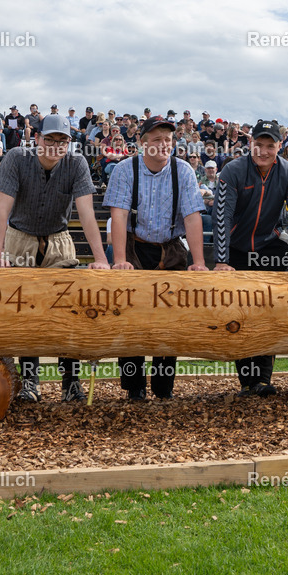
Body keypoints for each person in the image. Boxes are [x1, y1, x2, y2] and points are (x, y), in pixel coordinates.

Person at [0, 113, 111, 404]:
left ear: (69, 144)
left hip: (58, 239)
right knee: (24, 312)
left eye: (62, 141)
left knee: (68, 310)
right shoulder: (17, 157)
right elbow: (2, 211)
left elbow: (86, 213)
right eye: (50, 139)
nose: (56, 146)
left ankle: (71, 382)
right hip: (20, 237)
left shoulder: (77, 163)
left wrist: (100, 258)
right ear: (38, 139)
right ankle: (30, 382)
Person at [106, 115, 208, 401]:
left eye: (168, 140)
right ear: (142, 144)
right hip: (134, 245)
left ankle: (164, 388)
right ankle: (134, 387)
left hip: (170, 246)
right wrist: (120, 260)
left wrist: (198, 262)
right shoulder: (124, 170)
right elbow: (119, 216)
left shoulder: (184, 171)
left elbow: (192, 216)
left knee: (169, 317)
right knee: (131, 316)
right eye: (156, 140)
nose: (164, 145)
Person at [213, 119, 288, 397]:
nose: (264, 151)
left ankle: (263, 380)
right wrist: (222, 259)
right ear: (250, 144)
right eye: (259, 144)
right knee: (240, 312)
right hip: (236, 249)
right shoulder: (232, 171)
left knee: (271, 311)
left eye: (270, 146)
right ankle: (247, 381)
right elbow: (220, 216)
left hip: (270, 246)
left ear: (280, 146)